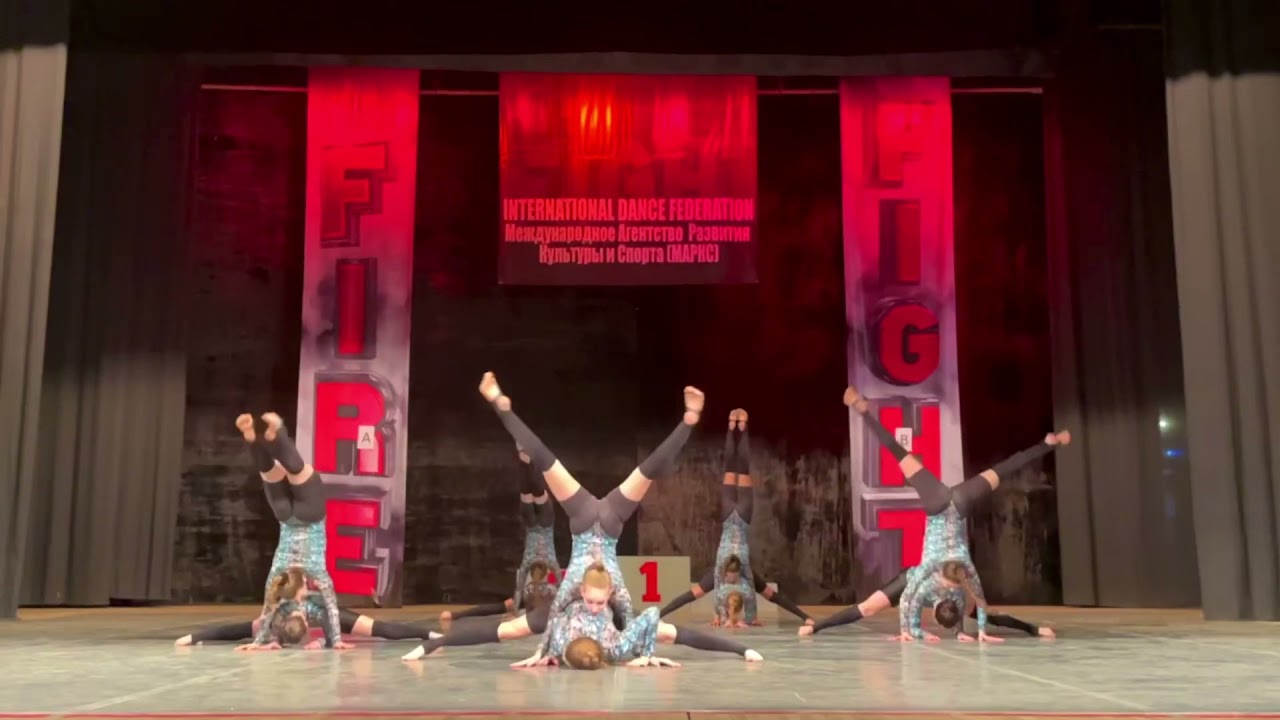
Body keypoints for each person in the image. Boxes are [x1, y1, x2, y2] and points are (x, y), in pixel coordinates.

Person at [401, 372, 702, 663]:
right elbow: (643, 619)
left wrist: (542, 651)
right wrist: (645, 655)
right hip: (606, 521)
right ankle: (688, 421)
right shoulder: (614, 624)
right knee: (639, 470)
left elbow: (550, 615)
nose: (593, 610)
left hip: (588, 519)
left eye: (595, 603)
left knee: (549, 460)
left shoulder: (565, 609)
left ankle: (501, 406)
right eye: (596, 603)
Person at [842, 385, 1069, 643]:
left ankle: (1046, 444)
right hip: (938, 503)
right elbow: (912, 599)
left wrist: (980, 631)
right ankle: (864, 413)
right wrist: (911, 630)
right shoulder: (934, 572)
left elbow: (980, 601)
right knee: (900, 454)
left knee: (1002, 471)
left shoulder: (964, 573)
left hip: (960, 502)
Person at [658, 409, 812, 627]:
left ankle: (735, 428)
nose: (731, 579)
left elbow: (692, 596)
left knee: (734, 470)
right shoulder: (746, 577)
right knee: (739, 470)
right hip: (738, 517)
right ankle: (737, 428)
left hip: (732, 516)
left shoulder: (724, 576)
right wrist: (800, 617)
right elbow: (772, 597)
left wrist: (720, 615)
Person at [235, 412, 350, 650]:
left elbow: (332, 608)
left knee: (298, 471)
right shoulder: (278, 578)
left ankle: (278, 433)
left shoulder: (316, 575)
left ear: (307, 624)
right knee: (270, 473)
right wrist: (260, 641)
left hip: (311, 516)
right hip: (285, 517)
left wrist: (336, 640)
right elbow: (267, 610)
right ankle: (253, 437)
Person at [510, 561, 764, 668]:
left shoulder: (615, 642)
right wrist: (543, 651)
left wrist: (647, 654)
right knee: (516, 628)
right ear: (582, 593)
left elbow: (651, 613)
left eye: (600, 602)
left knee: (667, 631)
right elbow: (556, 618)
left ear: (609, 594)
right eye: (590, 601)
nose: (595, 608)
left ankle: (741, 649)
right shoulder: (571, 615)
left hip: (620, 628)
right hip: (577, 638)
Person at [175, 568, 440, 648]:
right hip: (307, 618)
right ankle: (427, 634)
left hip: (330, 617)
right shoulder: (279, 612)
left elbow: (336, 607)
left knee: (377, 628)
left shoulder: (315, 598)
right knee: (253, 627)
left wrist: (325, 641)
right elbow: (239, 630)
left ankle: (427, 634)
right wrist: (195, 637)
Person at [441, 449, 562, 623]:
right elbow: (519, 593)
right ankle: (525, 460)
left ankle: (527, 460)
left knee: (535, 492)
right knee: (528, 492)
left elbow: (556, 585)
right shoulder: (531, 573)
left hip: (541, 525)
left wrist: (516, 611)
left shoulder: (544, 571)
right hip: (533, 525)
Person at [798, 564, 1054, 639]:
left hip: (937, 591)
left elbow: (989, 612)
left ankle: (1032, 629)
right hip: (907, 582)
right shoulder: (922, 587)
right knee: (868, 607)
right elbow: (907, 603)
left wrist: (962, 632)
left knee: (983, 613)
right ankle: (816, 626)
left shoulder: (961, 593)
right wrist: (908, 632)